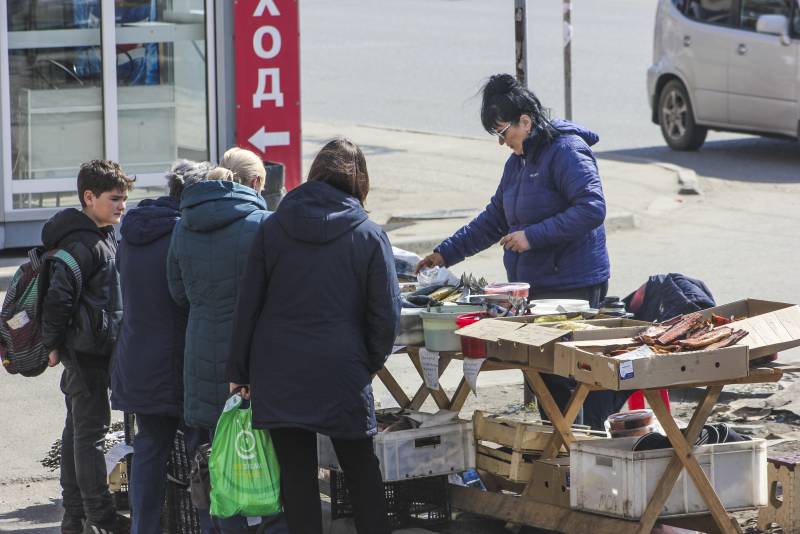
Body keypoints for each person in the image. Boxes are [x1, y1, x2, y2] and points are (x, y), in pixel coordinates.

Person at [417, 74, 619, 430]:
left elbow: (592, 208)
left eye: (502, 132)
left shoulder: (567, 151)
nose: (501, 142)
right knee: (545, 377)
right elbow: (494, 219)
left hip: (572, 283)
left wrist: (532, 237)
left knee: (566, 376)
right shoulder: (517, 164)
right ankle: (565, 449)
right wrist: (445, 254)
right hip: (537, 284)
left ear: (525, 121)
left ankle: (578, 445)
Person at [227, 138, 401, 534]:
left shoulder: (273, 228)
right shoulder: (369, 235)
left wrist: (239, 370)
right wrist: (367, 362)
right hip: (342, 368)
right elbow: (386, 314)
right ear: (359, 182)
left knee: (296, 475)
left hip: (278, 369)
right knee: (360, 467)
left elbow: (248, 305)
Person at [167, 163, 273, 533]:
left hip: (199, 349)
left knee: (214, 459)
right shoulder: (259, 223)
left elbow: (177, 292)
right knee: (261, 456)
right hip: (250, 355)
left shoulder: (182, 227)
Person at [110, 160, 211, 534]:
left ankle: (144, 528)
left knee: (150, 447)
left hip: (137, 359)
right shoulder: (183, 235)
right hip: (180, 362)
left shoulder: (130, 233)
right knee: (203, 449)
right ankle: (206, 527)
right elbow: (188, 298)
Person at [40, 160, 134, 534]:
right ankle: (100, 517)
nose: (122, 206)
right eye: (115, 199)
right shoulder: (83, 242)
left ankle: (75, 517)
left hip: (92, 350)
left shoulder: (102, 234)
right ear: (89, 197)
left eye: (125, 199)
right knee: (88, 435)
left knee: (76, 431)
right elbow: (57, 299)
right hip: (86, 354)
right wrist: (52, 344)